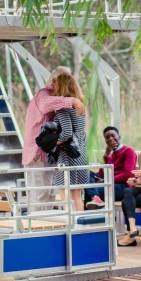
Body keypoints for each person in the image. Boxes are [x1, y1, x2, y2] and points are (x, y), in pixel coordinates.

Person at [22, 67, 85, 211]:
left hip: (50, 152)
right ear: (55, 81)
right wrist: (73, 100)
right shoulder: (44, 94)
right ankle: (39, 226)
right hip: (38, 151)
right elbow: (45, 105)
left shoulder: (60, 103)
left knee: (49, 191)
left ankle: (47, 225)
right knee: (41, 192)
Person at [51, 74, 88, 212]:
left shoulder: (63, 109)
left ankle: (70, 225)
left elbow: (66, 132)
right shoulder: (80, 106)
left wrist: (55, 143)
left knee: (65, 193)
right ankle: (81, 224)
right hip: (81, 149)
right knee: (77, 195)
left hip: (68, 153)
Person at [84, 126, 137, 209]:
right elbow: (101, 175)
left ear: (119, 137)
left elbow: (128, 174)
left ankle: (94, 198)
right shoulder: (110, 155)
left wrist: (106, 180)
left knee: (90, 192)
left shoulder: (128, 150)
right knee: (86, 173)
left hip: (123, 186)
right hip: (111, 183)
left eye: (113, 135)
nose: (111, 139)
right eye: (107, 137)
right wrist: (106, 155)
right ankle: (95, 197)